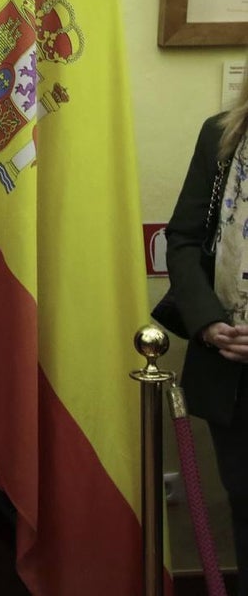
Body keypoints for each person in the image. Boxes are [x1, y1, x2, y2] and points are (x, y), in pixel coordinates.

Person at [166, 72, 248, 596]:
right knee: (243, 503)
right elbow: (183, 239)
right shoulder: (221, 137)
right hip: (230, 367)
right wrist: (208, 322)